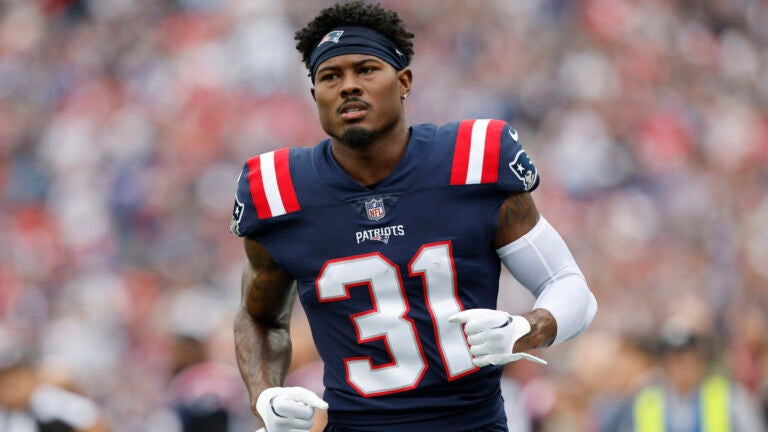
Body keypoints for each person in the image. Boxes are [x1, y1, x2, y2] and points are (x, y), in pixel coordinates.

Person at [229, 2, 597, 431]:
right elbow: (259, 317)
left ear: (404, 81)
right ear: (315, 96)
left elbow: (569, 286)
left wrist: (525, 329)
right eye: (331, 76)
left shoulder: (473, 160)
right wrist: (265, 394)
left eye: (366, 70)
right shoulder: (278, 191)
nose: (349, 86)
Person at [611, 323, 766, 432]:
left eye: (686, 359)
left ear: (699, 360)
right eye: (674, 360)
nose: (681, 368)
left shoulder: (727, 395)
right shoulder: (645, 401)